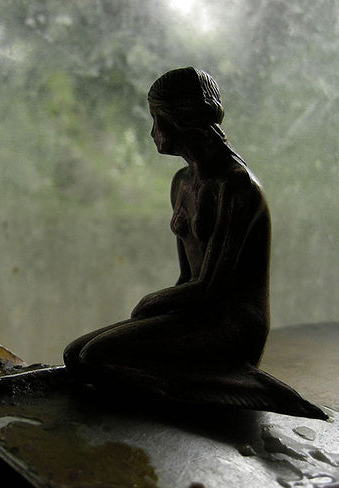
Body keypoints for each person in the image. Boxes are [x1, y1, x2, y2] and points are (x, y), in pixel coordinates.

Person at [64, 67, 271, 385]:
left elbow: (212, 290)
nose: (153, 132)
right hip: (196, 311)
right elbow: (187, 279)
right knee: (74, 354)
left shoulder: (236, 186)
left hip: (230, 324)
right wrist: (156, 313)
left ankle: (196, 395)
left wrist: (151, 302)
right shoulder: (182, 182)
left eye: (157, 118)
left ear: (182, 118)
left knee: (94, 356)